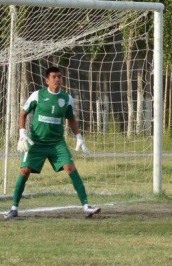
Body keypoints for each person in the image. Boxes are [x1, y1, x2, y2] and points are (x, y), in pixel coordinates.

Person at [4, 66, 100, 219]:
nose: (57, 79)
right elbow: (23, 113)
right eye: (54, 77)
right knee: (24, 171)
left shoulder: (66, 98)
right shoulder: (37, 95)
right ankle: (14, 208)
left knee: (70, 168)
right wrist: (22, 133)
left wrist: (79, 137)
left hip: (57, 143)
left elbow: (71, 119)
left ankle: (86, 206)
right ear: (47, 80)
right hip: (36, 142)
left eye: (59, 77)